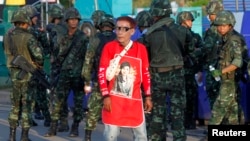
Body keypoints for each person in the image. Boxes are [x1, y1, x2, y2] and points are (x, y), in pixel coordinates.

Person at [138, 0, 194, 140]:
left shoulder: (148, 34)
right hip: (177, 75)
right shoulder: (183, 31)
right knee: (178, 115)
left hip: (157, 77)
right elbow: (190, 50)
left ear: (155, 13)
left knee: (157, 116)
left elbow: (143, 56)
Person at [98, 16, 152, 141]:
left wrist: (148, 96)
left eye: (124, 29)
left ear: (132, 31)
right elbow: (101, 72)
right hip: (113, 102)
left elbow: (145, 73)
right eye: (118, 28)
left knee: (142, 136)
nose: (120, 32)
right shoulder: (109, 47)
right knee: (110, 136)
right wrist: (105, 96)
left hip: (135, 102)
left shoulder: (141, 49)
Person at [44, 7, 89, 137]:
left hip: (78, 74)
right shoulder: (60, 36)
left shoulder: (83, 37)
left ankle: (75, 128)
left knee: (78, 102)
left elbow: (87, 57)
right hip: (63, 72)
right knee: (57, 101)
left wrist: (85, 77)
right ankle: (53, 127)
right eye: (71, 19)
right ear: (67, 21)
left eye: (76, 19)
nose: (74, 22)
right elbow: (55, 52)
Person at [3, 9, 43, 141]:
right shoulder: (29, 37)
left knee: (15, 106)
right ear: (26, 22)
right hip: (27, 76)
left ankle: (11, 136)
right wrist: (35, 63)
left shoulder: (8, 36)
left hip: (14, 74)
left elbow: (7, 53)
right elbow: (39, 57)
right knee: (27, 105)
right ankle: (24, 136)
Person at [82, 13, 116, 141]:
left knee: (93, 110)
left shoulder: (95, 39)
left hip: (99, 79)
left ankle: (88, 137)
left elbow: (88, 61)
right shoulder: (117, 38)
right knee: (114, 110)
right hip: (115, 81)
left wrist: (86, 79)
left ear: (100, 25)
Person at [209, 10, 246, 125]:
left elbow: (237, 62)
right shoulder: (224, 38)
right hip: (227, 80)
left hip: (229, 81)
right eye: (219, 25)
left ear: (230, 25)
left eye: (224, 26)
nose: (221, 28)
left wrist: (220, 71)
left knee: (218, 110)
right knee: (232, 112)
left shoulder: (234, 40)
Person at [21, 4, 51, 127]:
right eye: (34, 16)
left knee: (30, 95)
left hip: (27, 67)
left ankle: (29, 118)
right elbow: (47, 48)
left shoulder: (16, 32)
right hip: (33, 67)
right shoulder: (36, 32)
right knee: (37, 94)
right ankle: (45, 118)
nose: (36, 18)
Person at [176, 11, 204, 129]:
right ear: (182, 21)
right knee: (178, 99)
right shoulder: (175, 36)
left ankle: (189, 122)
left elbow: (202, 53)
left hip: (190, 72)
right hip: (177, 72)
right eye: (188, 20)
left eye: (191, 20)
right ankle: (178, 122)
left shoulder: (196, 37)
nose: (190, 22)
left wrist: (199, 69)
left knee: (191, 97)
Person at [46, 3, 70, 132]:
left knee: (55, 95)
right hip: (68, 65)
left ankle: (56, 123)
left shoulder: (56, 29)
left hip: (58, 65)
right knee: (63, 94)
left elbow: (56, 47)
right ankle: (64, 122)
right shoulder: (67, 28)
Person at [203, 0, 224, 111]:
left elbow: (206, 49)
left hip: (214, 69)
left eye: (210, 14)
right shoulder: (227, 27)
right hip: (223, 68)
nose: (208, 16)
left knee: (214, 97)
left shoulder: (213, 30)